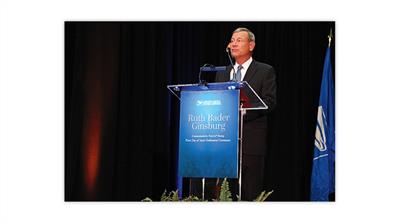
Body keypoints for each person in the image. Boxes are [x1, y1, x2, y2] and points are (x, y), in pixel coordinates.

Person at [214, 27, 277, 200]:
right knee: (223, 194)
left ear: (251, 45)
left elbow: (269, 102)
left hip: (251, 142)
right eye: (232, 40)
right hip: (224, 142)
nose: (234, 43)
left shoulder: (265, 71)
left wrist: (241, 110)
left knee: (249, 194)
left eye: (239, 40)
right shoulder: (223, 73)